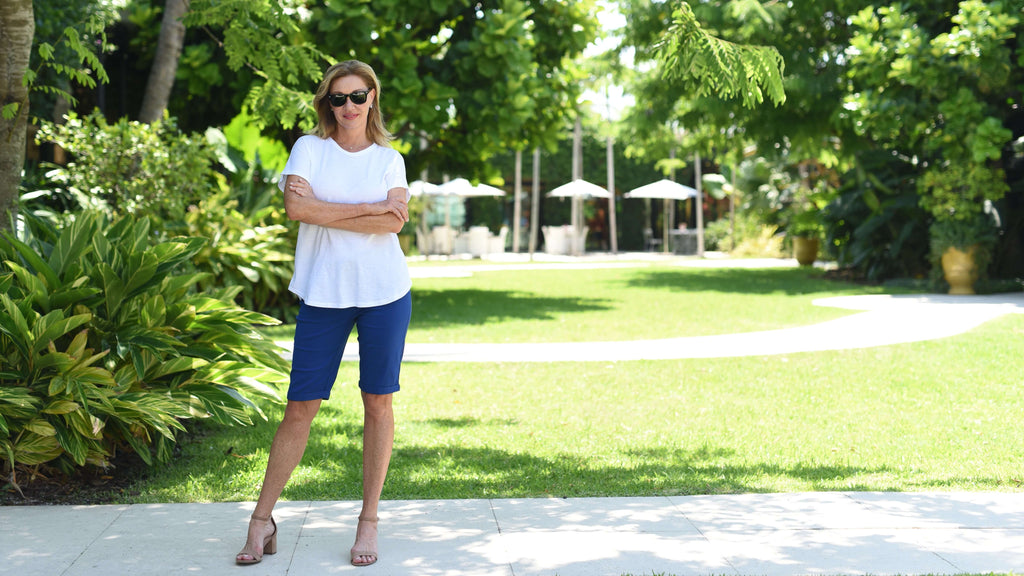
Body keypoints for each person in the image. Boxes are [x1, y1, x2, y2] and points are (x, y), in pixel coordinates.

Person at [235, 60, 411, 568]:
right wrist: (367, 210)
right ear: (325, 104)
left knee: (378, 402)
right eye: (338, 98)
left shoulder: (389, 159)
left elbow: (394, 223)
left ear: (373, 98)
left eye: (358, 96)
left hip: (384, 293)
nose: (349, 107)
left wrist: (329, 207)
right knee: (300, 408)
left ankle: (369, 522)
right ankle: (262, 520)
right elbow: (297, 211)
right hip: (323, 293)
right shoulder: (309, 149)